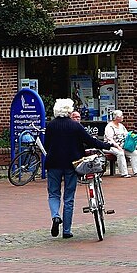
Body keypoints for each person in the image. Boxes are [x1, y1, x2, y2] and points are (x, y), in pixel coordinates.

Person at [44, 98, 110, 239]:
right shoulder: (75, 126)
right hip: (71, 165)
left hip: (53, 164)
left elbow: (46, 145)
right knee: (69, 197)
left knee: (53, 194)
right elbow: (90, 141)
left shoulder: (50, 126)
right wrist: (107, 146)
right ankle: (67, 231)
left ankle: (55, 216)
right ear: (69, 110)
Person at [104, 109, 137, 178]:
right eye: (121, 116)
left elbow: (127, 135)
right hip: (110, 146)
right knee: (120, 153)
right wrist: (118, 147)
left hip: (122, 145)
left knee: (134, 153)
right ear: (117, 117)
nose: (123, 117)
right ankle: (124, 173)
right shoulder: (109, 127)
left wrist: (132, 138)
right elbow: (110, 139)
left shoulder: (121, 126)